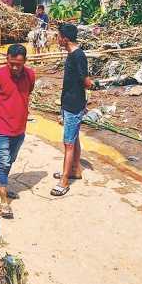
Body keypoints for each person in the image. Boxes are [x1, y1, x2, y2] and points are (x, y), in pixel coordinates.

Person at [0, 44, 35, 218]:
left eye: (18, 64)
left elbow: (28, 92)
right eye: (11, 63)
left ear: (24, 62)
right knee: (3, 161)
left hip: (19, 128)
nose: (14, 67)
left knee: (10, 160)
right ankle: (4, 200)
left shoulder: (30, 75)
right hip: (0, 127)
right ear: (7, 59)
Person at [51, 23, 93, 197]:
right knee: (73, 139)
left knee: (68, 143)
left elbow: (86, 81)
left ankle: (64, 181)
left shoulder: (78, 56)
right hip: (68, 103)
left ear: (65, 39)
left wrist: (89, 92)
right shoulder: (71, 54)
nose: (57, 39)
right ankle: (74, 170)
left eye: (58, 36)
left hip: (74, 104)